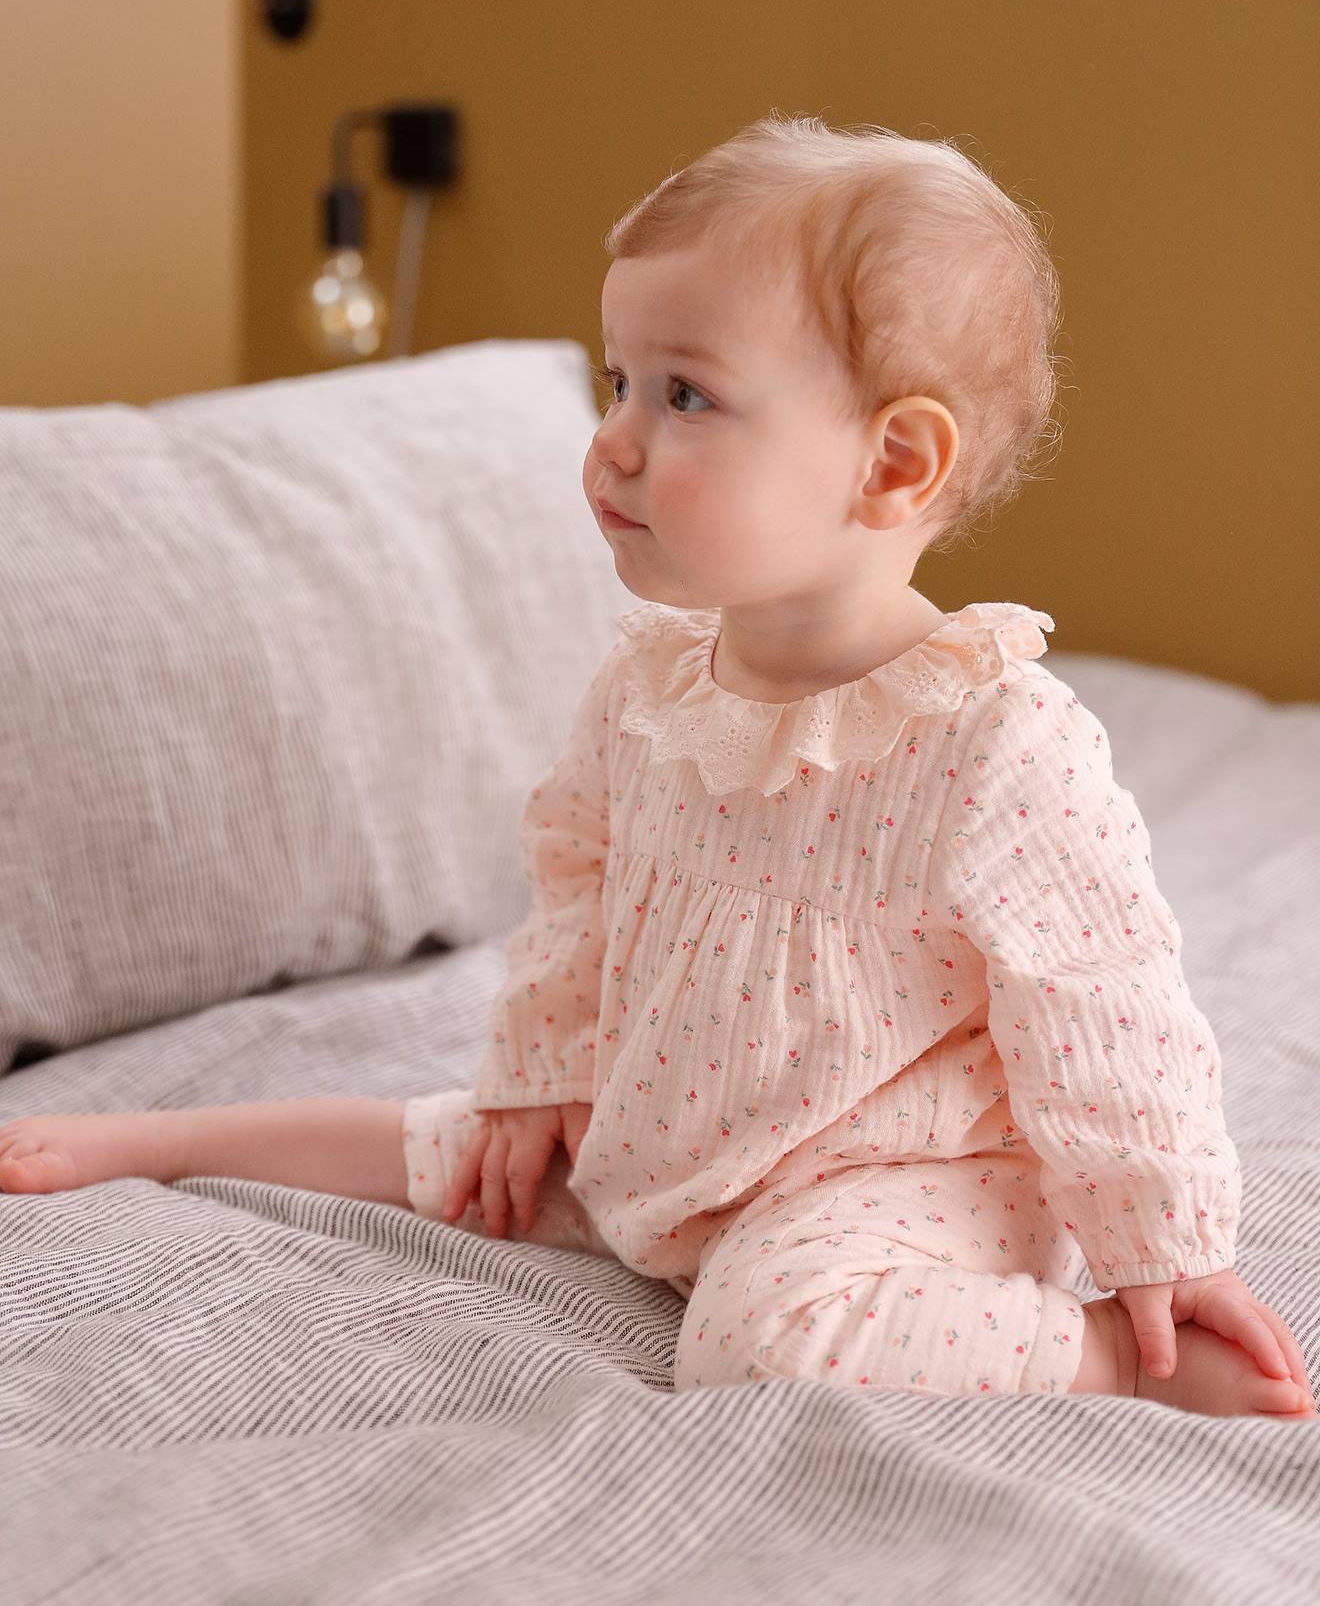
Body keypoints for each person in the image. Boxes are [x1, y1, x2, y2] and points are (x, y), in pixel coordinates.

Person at [1, 114, 1313, 1419]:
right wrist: (542, 1072)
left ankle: (1101, 1358)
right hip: (671, 1134)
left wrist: (1164, 1245)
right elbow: (579, 885)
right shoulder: (653, 687)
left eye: (684, 396)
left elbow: (1106, 1004)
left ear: (893, 462)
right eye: (617, 381)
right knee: (459, 1144)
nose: (614, 441)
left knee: (760, 1336)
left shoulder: (995, 740)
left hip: (898, 1177)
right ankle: (166, 1141)